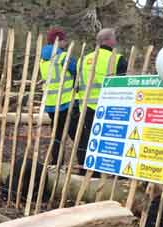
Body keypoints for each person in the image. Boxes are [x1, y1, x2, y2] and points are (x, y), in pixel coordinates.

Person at [76, 28, 128, 173]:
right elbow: (124, 87)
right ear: (108, 40)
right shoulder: (117, 59)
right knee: (110, 140)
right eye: (114, 38)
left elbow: (77, 84)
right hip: (108, 108)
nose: (116, 41)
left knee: (89, 139)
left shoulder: (84, 59)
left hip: (86, 107)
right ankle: (108, 169)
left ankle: (88, 170)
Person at [39, 27, 79, 165]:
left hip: (51, 105)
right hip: (66, 102)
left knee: (57, 135)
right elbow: (78, 72)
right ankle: (84, 165)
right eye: (63, 40)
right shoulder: (62, 56)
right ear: (58, 40)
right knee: (77, 135)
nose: (66, 43)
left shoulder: (43, 59)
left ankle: (57, 162)